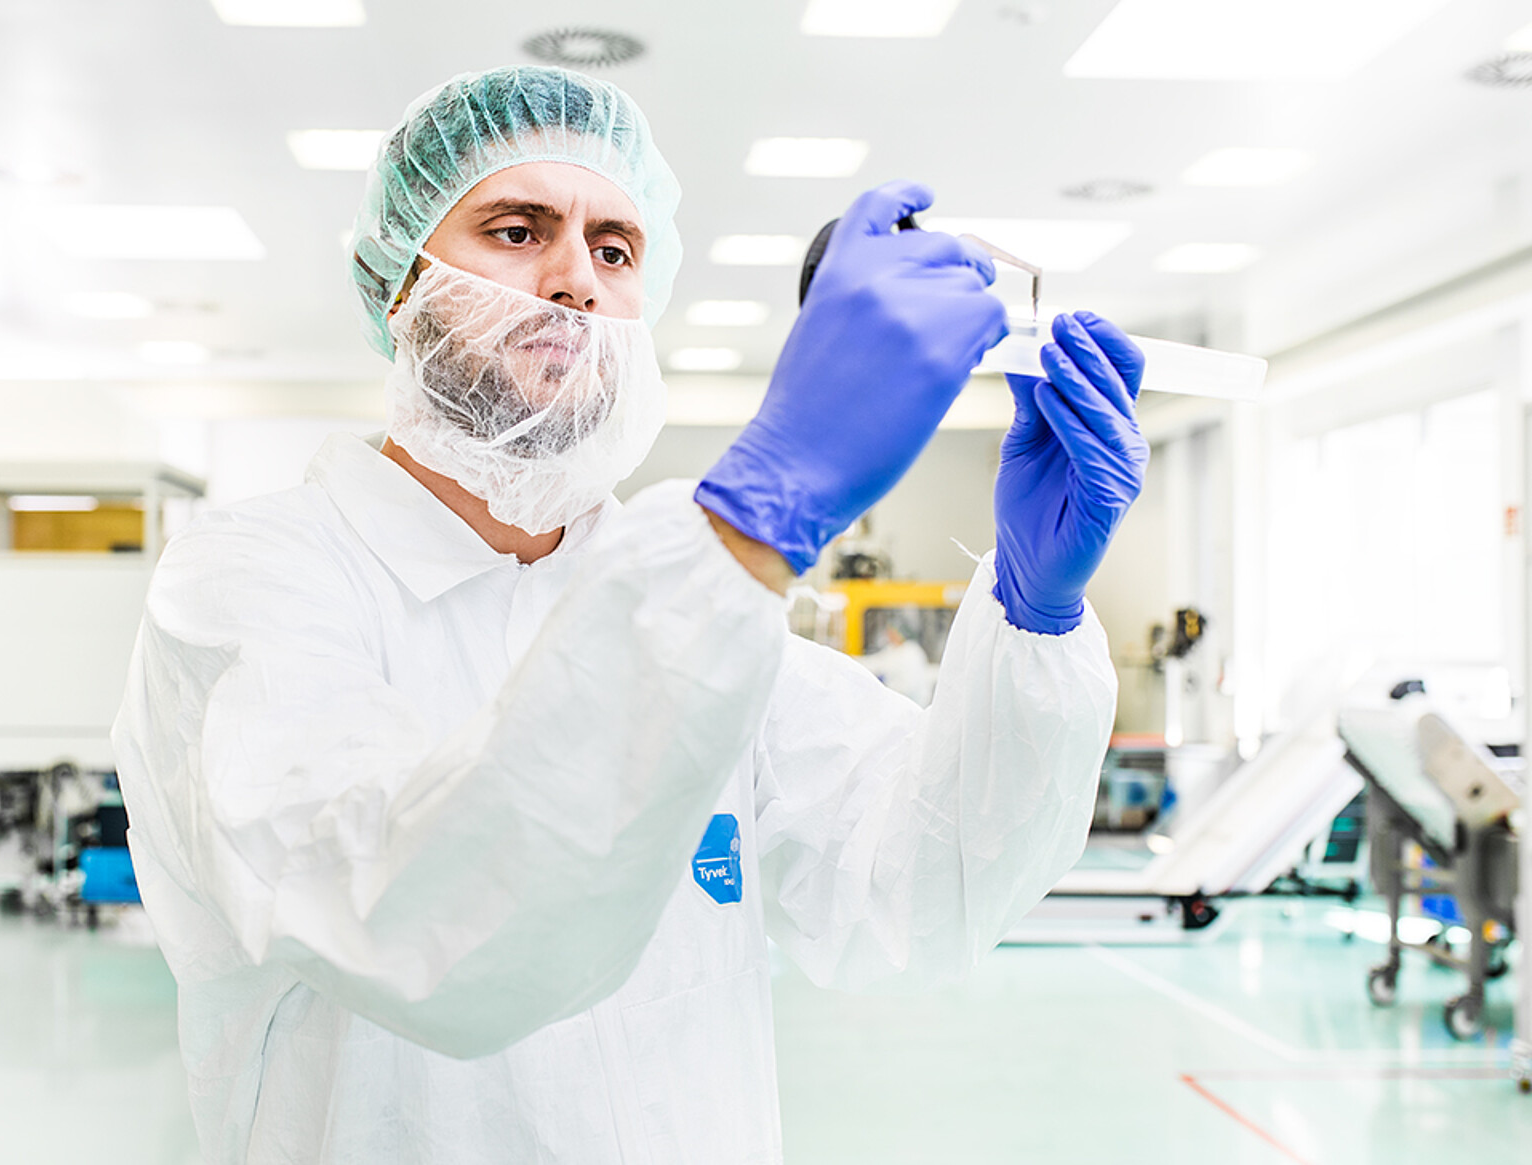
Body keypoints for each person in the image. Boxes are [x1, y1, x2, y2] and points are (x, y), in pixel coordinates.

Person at [113, 65, 1147, 1164]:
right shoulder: (254, 581)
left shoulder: (683, 600)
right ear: (396, 283)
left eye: (615, 249)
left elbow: (921, 882)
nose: (577, 282)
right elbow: (422, 926)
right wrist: (754, 518)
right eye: (517, 230)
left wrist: (1036, 619)